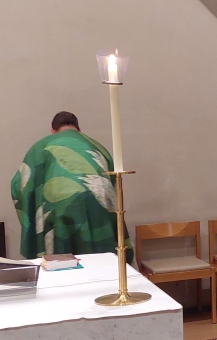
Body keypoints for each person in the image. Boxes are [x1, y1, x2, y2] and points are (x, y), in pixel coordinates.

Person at [11, 111, 133, 262]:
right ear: (79, 129)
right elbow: (112, 178)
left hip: (59, 205)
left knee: (61, 260)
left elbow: (20, 184)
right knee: (102, 260)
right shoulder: (97, 146)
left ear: (53, 130)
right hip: (99, 201)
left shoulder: (41, 146)